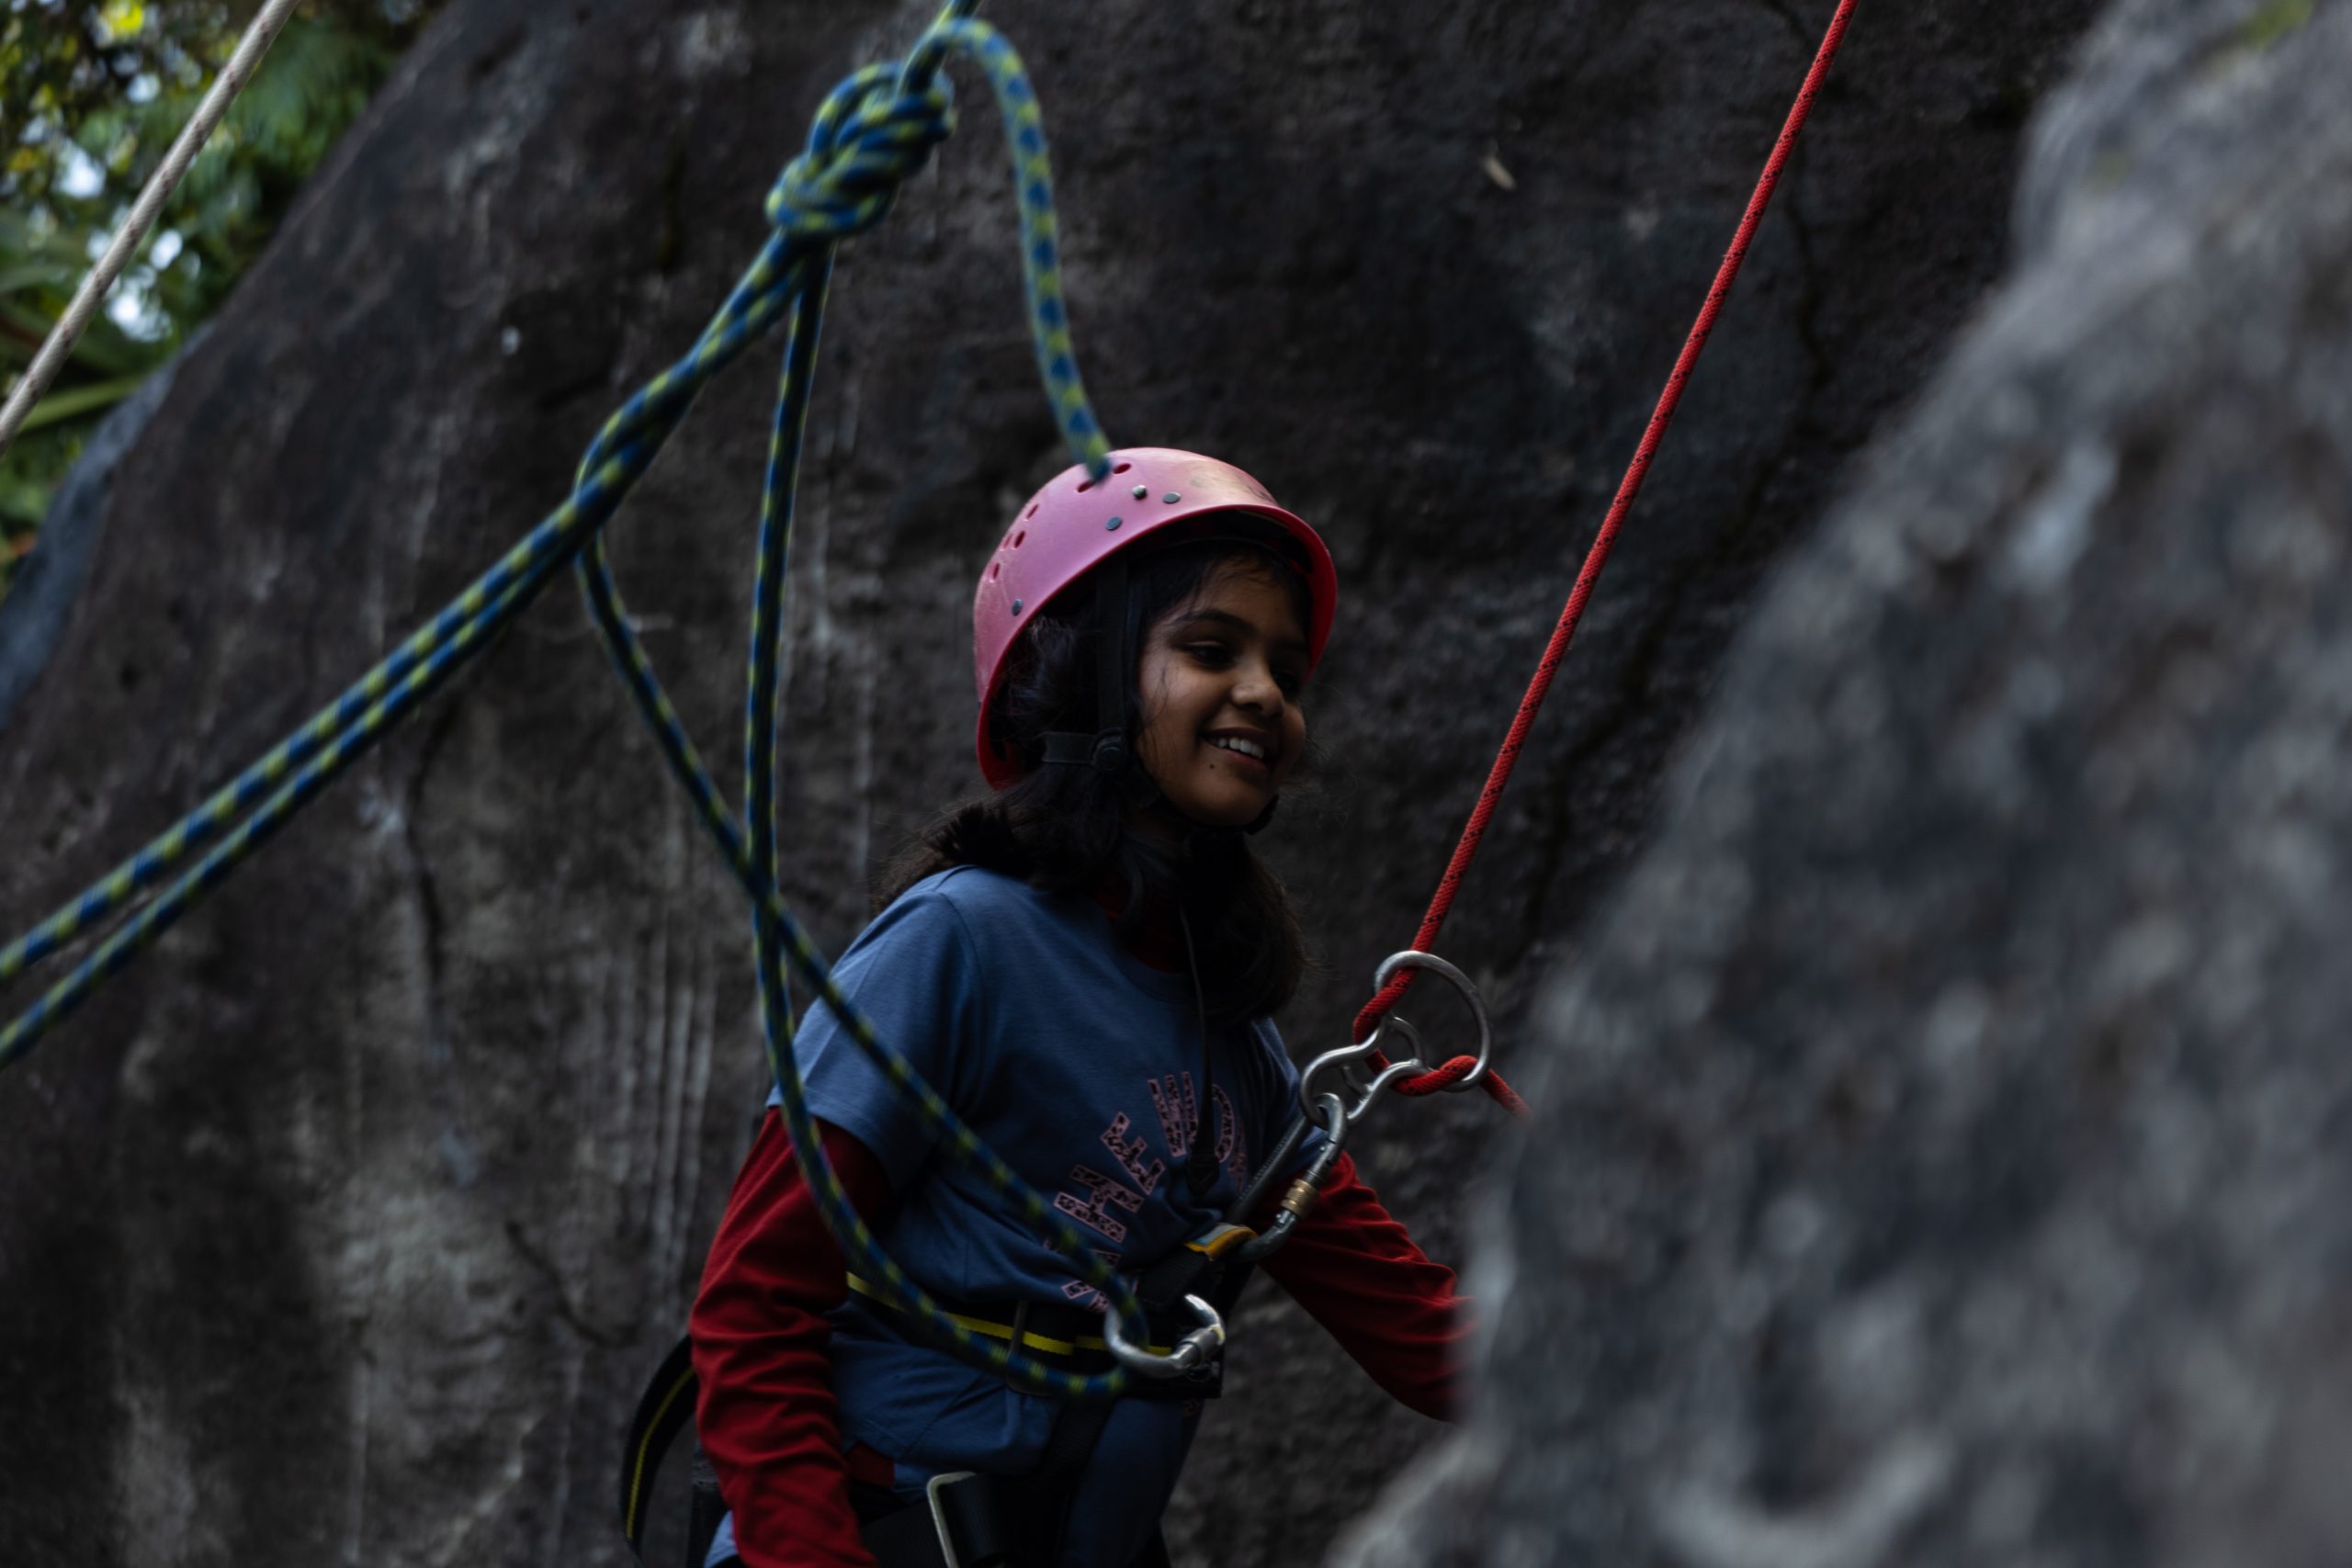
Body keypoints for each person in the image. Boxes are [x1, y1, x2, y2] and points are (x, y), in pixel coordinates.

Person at [689, 449, 1470, 1568]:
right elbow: (756, 1300)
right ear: (1091, 679)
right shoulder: (957, 944)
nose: (1265, 694)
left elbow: (1428, 1342)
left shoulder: (1229, 1040)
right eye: (1211, 651)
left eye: (1286, 673)